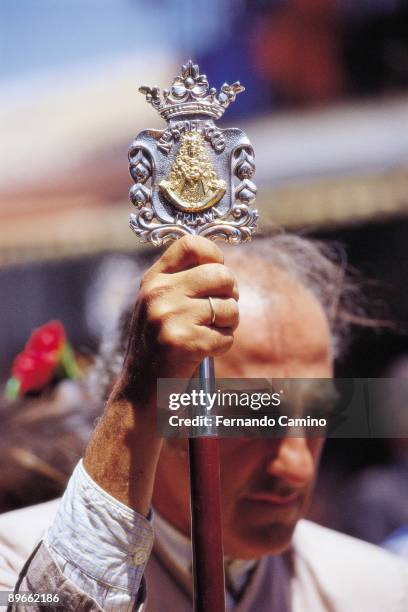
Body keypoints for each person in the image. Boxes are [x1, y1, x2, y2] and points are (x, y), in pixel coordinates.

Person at [2, 235, 408, 611]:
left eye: (316, 413)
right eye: (250, 413)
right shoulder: (16, 562)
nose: (295, 467)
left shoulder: (378, 589)